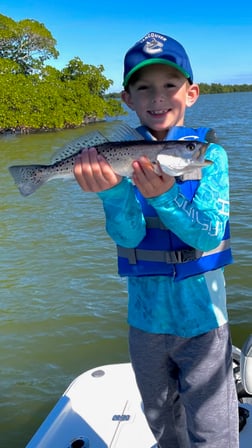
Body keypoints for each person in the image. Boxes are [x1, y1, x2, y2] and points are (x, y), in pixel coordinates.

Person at [74, 31, 239, 447]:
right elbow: (128, 235)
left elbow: (206, 232)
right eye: (144, 87)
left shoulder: (207, 154)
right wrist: (113, 191)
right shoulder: (122, 156)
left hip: (204, 323)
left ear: (192, 92)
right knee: (163, 424)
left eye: (170, 85)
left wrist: (164, 197)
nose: (157, 97)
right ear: (127, 98)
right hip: (144, 323)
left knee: (213, 430)